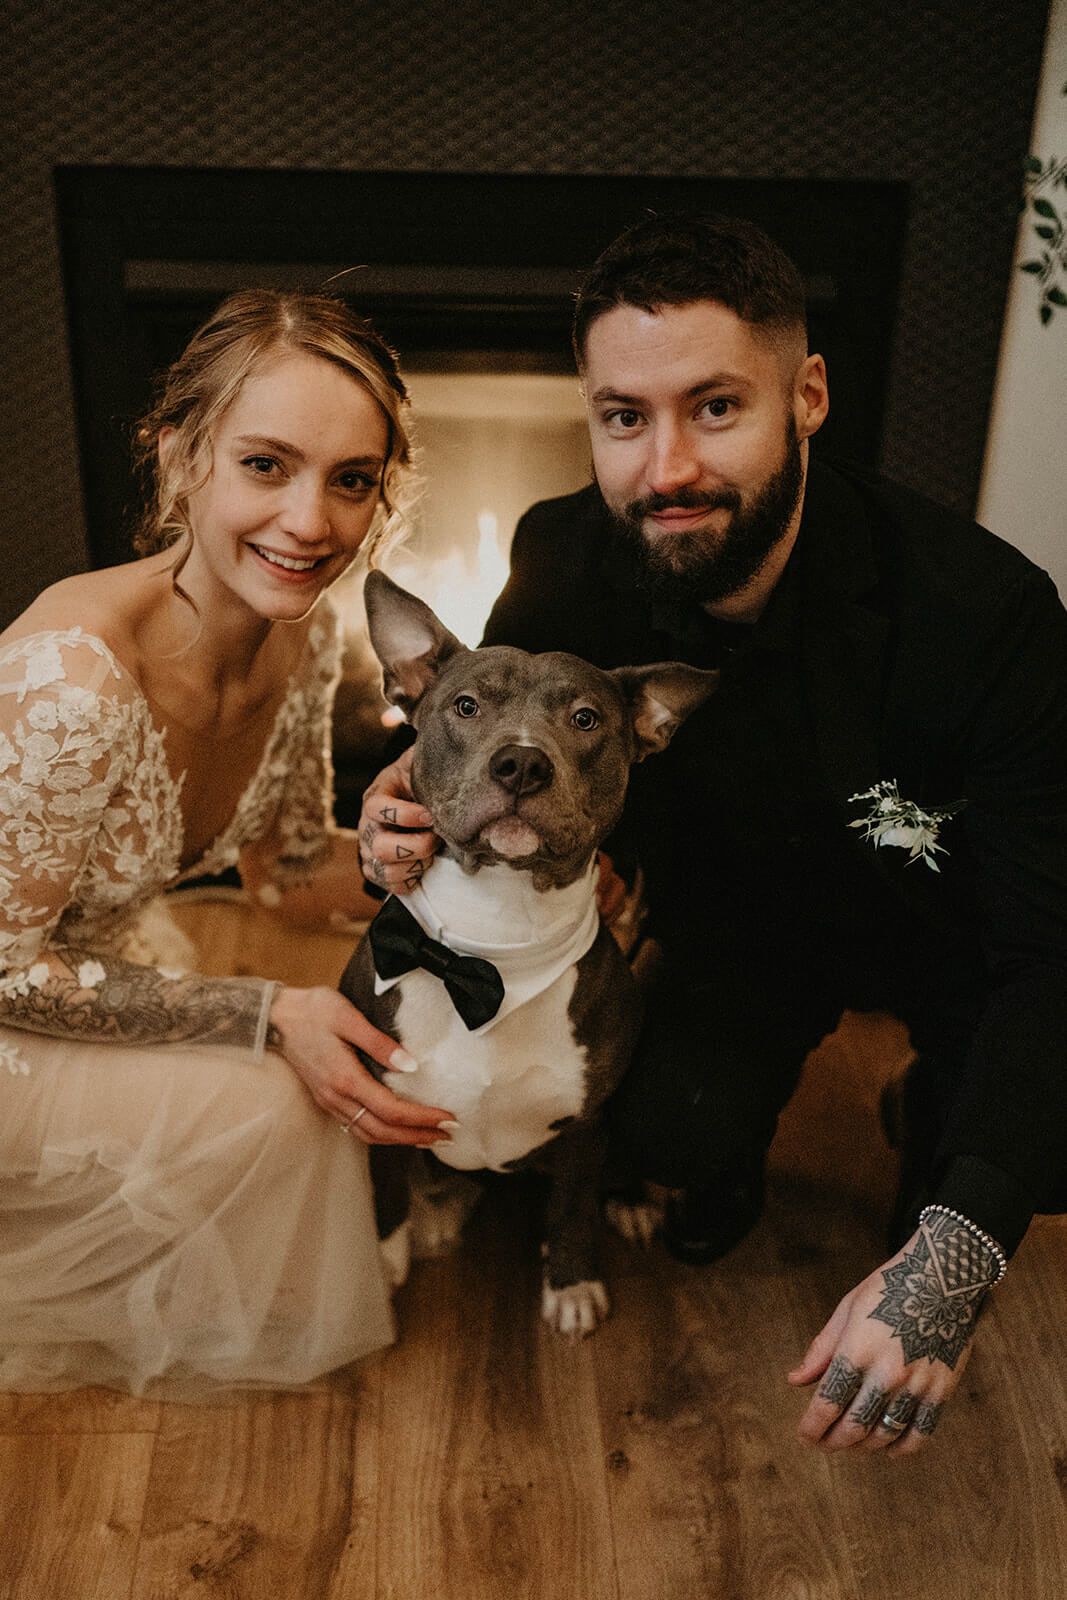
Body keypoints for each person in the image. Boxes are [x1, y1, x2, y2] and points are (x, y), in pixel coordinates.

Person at [358, 214, 1067, 1456]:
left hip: (943, 934)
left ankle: (918, 1103)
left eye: (714, 407)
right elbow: (487, 739)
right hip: (732, 928)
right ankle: (727, 1148)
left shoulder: (983, 614)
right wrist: (393, 807)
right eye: (623, 416)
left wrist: (949, 1259)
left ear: (806, 396)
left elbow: (1048, 952)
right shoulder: (563, 554)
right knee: (668, 1127)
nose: (664, 464)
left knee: (1031, 1167)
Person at [0, 289, 457, 1399]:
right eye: (266, 464)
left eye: (351, 480)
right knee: (289, 1096)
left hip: (113, 960)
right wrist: (262, 1013)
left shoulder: (301, 648)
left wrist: (440, 853)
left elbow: (284, 872)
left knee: (324, 1068)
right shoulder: (75, 671)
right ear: (180, 461)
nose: (311, 521)